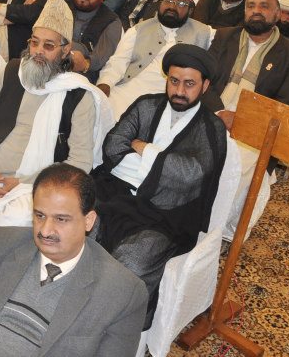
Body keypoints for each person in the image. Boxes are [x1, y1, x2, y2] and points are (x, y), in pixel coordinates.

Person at [0, 0, 113, 265]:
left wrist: (21, 182)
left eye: (49, 46)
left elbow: (79, 163)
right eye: (34, 42)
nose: (38, 51)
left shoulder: (78, 95)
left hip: (33, 187)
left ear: (65, 50)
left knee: (17, 218)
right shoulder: (12, 72)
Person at [0, 164, 147, 357]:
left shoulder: (123, 292)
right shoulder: (3, 244)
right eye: (40, 215)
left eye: (61, 219)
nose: (45, 230)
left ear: (88, 221)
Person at [91, 44, 229, 326]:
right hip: (116, 195)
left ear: (205, 86)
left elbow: (191, 175)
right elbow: (113, 147)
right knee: (77, 231)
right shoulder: (146, 105)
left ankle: (109, 325)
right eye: (174, 81)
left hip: (166, 216)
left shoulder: (210, 127)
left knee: (131, 261)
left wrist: (145, 149)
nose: (179, 91)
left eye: (189, 84)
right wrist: (161, 172)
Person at [98, 0, 212, 118]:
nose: (172, 7)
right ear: (160, 3)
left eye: (181, 3)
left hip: (169, 99)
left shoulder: (204, 33)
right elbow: (118, 61)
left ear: (190, 10)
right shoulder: (139, 29)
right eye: (168, 0)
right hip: (128, 89)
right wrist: (105, 83)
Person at [207, 0, 289, 129]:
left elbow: (284, 103)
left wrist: (241, 119)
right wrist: (219, 112)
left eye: (264, 6)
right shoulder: (224, 36)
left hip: (253, 126)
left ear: (278, 13)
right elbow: (203, 79)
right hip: (211, 114)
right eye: (251, 6)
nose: (256, 11)